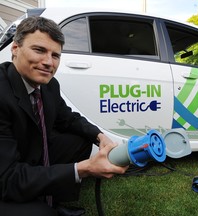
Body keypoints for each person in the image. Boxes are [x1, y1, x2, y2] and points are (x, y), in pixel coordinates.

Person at [0, 16, 128, 216]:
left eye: (56, 55)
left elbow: (68, 118)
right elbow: (8, 179)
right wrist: (82, 169)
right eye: (39, 50)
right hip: (5, 175)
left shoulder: (50, 85)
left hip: (24, 156)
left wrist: (99, 136)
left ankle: (53, 200)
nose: (48, 62)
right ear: (15, 49)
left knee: (81, 140)